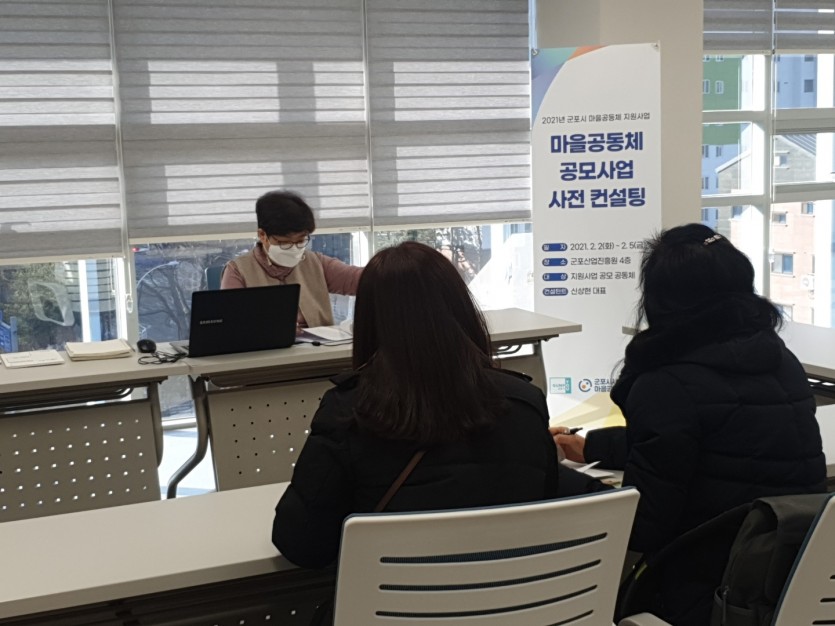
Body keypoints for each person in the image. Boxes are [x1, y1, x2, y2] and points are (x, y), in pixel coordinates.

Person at [272, 241, 606, 569]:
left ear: (370, 320)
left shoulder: (349, 411)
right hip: (516, 598)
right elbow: (547, 496)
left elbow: (303, 546)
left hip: (397, 599)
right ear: (462, 308)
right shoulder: (523, 403)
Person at [553, 223, 826, 623]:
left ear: (660, 300)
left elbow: (642, 527)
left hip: (707, 596)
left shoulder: (665, 383)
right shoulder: (780, 362)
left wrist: (554, 472)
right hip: (786, 581)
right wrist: (593, 447)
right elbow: (708, 442)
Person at [221, 190, 362, 328]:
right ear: (262, 235)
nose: (294, 248)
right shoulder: (238, 271)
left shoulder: (315, 263)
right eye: (284, 243)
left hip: (318, 343)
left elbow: (362, 279)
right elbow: (230, 324)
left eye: (300, 241)